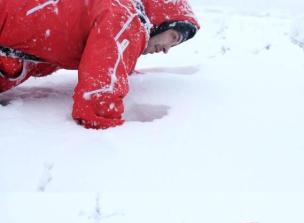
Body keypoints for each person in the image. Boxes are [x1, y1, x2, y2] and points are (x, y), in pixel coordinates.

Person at [0, 0, 200, 129]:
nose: (166, 49)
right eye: (173, 37)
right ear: (162, 20)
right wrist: (107, 126)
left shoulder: (114, 8)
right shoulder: (127, 18)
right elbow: (100, 91)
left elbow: (45, 46)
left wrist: (11, 69)